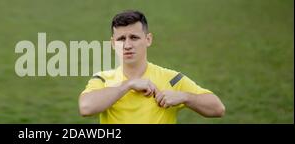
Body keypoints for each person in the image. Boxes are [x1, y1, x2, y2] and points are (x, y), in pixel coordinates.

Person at [78, 10, 225, 124]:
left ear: (148, 39)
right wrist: (128, 85)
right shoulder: (103, 79)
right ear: (113, 44)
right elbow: (86, 108)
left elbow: (218, 109)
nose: (127, 45)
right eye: (121, 39)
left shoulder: (172, 80)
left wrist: (185, 97)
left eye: (134, 38)